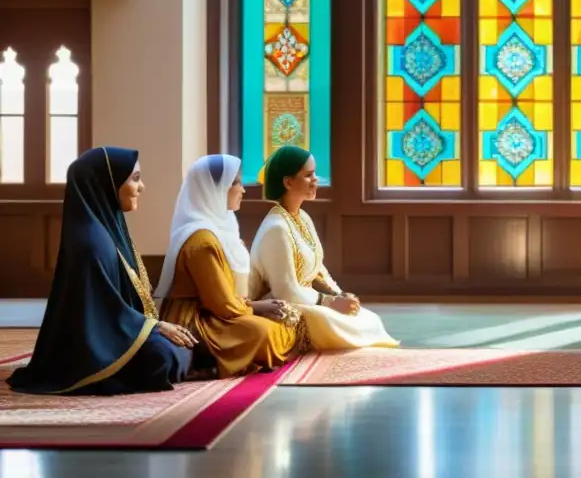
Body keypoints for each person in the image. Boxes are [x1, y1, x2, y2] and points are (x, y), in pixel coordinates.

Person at [8, 147, 195, 395]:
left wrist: (153, 327)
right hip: (91, 346)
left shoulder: (109, 225)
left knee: (177, 346)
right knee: (161, 355)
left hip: (121, 332)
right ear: (106, 183)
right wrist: (155, 327)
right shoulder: (90, 241)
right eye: (135, 179)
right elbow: (102, 310)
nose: (142, 188)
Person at [155, 154, 302, 378]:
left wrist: (257, 305)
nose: (242, 190)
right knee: (263, 332)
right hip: (197, 321)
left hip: (223, 310)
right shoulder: (201, 240)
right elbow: (220, 305)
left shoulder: (223, 226)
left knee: (280, 322)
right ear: (213, 189)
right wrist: (257, 307)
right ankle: (211, 364)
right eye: (235, 183)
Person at [248, 146, 399, 350]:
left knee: (368, 318)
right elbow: (285, 291)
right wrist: (329, 302)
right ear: (288, 182)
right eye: (309, 175)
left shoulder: (302, 217)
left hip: (308, 301)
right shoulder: (276, 228)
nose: (316, 179)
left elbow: (319, 269)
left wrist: (340, 295)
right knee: (354, 325)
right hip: (286, 306)